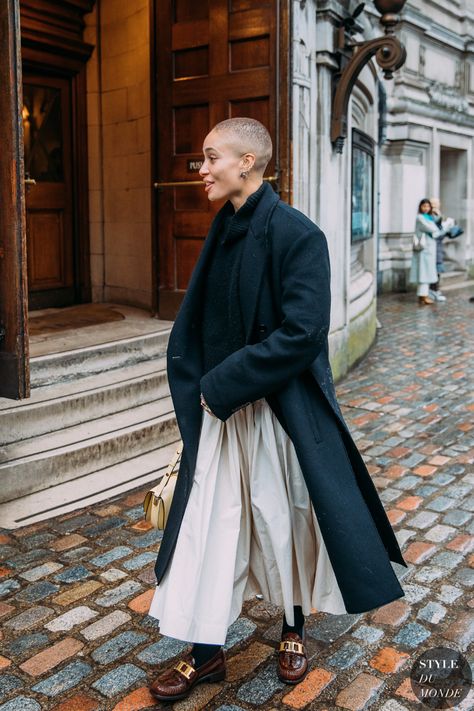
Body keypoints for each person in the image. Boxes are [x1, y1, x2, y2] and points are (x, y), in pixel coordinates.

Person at [148, 117, 407, 702]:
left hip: (274, 411)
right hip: (219, 412)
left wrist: (223, 383)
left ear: (248, 162)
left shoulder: (298, 234)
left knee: (281, 520)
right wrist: (203, 393)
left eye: (212, 157)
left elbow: (304, 333)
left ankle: (293, 630)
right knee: (208, 527)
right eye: (203, 159)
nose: (203, 169)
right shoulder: (224, 227)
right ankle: (205, 652)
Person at [409, 198, 447, 305]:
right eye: (424, 206)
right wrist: (441, 225)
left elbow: (437, 228)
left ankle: (424, 296)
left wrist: (438, 216)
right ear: (420, 207)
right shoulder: (420, 218)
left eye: (428, 206)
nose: (426, 208)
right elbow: (434, 229)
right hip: (423, 250)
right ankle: (423, 296)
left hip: (429, 250)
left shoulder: (429, 217)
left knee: (426, 274)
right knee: (423, 274)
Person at [428, 197, 447, 302]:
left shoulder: (438, 215)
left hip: (438, 246)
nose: (435, 206)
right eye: (433, 204)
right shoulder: (429, 216)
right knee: (433, 270)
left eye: (436, 203)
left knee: (438, 270)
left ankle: (435, 290)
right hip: (431, 246)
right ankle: (432, 291)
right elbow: (435, 231)